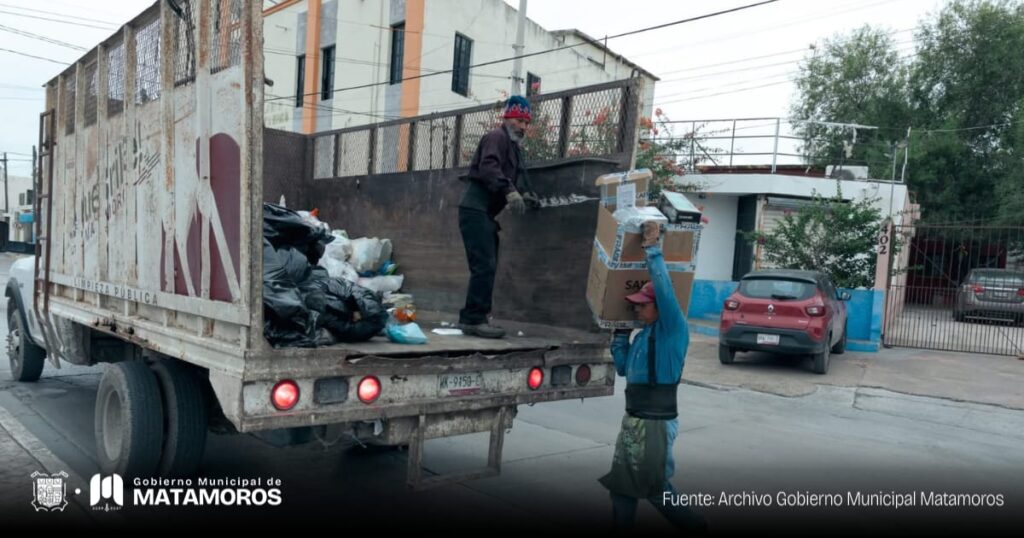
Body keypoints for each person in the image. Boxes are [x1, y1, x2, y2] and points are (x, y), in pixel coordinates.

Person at [599, 220, 706, 532]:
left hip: (656, 423)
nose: (638, 311)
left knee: (655, 488)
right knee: (622, 486)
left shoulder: (673, 329)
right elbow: (623, 368)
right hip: (634, 422)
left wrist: (652, 249)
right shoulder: (642, 336)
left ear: (660, 307)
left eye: (643, 306)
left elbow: (663, 287)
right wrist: (619, 334)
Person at [457, 95, 538, 339]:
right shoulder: (496, 137)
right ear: (507, 118)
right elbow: (489, 167)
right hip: (475, 210)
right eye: (520, 120)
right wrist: (509, 191)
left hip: (484, 214)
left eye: (526, 122)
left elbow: (513, 177)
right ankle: (473, 319)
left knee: (486, 266)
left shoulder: (513, 147)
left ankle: (476, 316)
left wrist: (524, 194)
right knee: (484, 266)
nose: (523, 126)